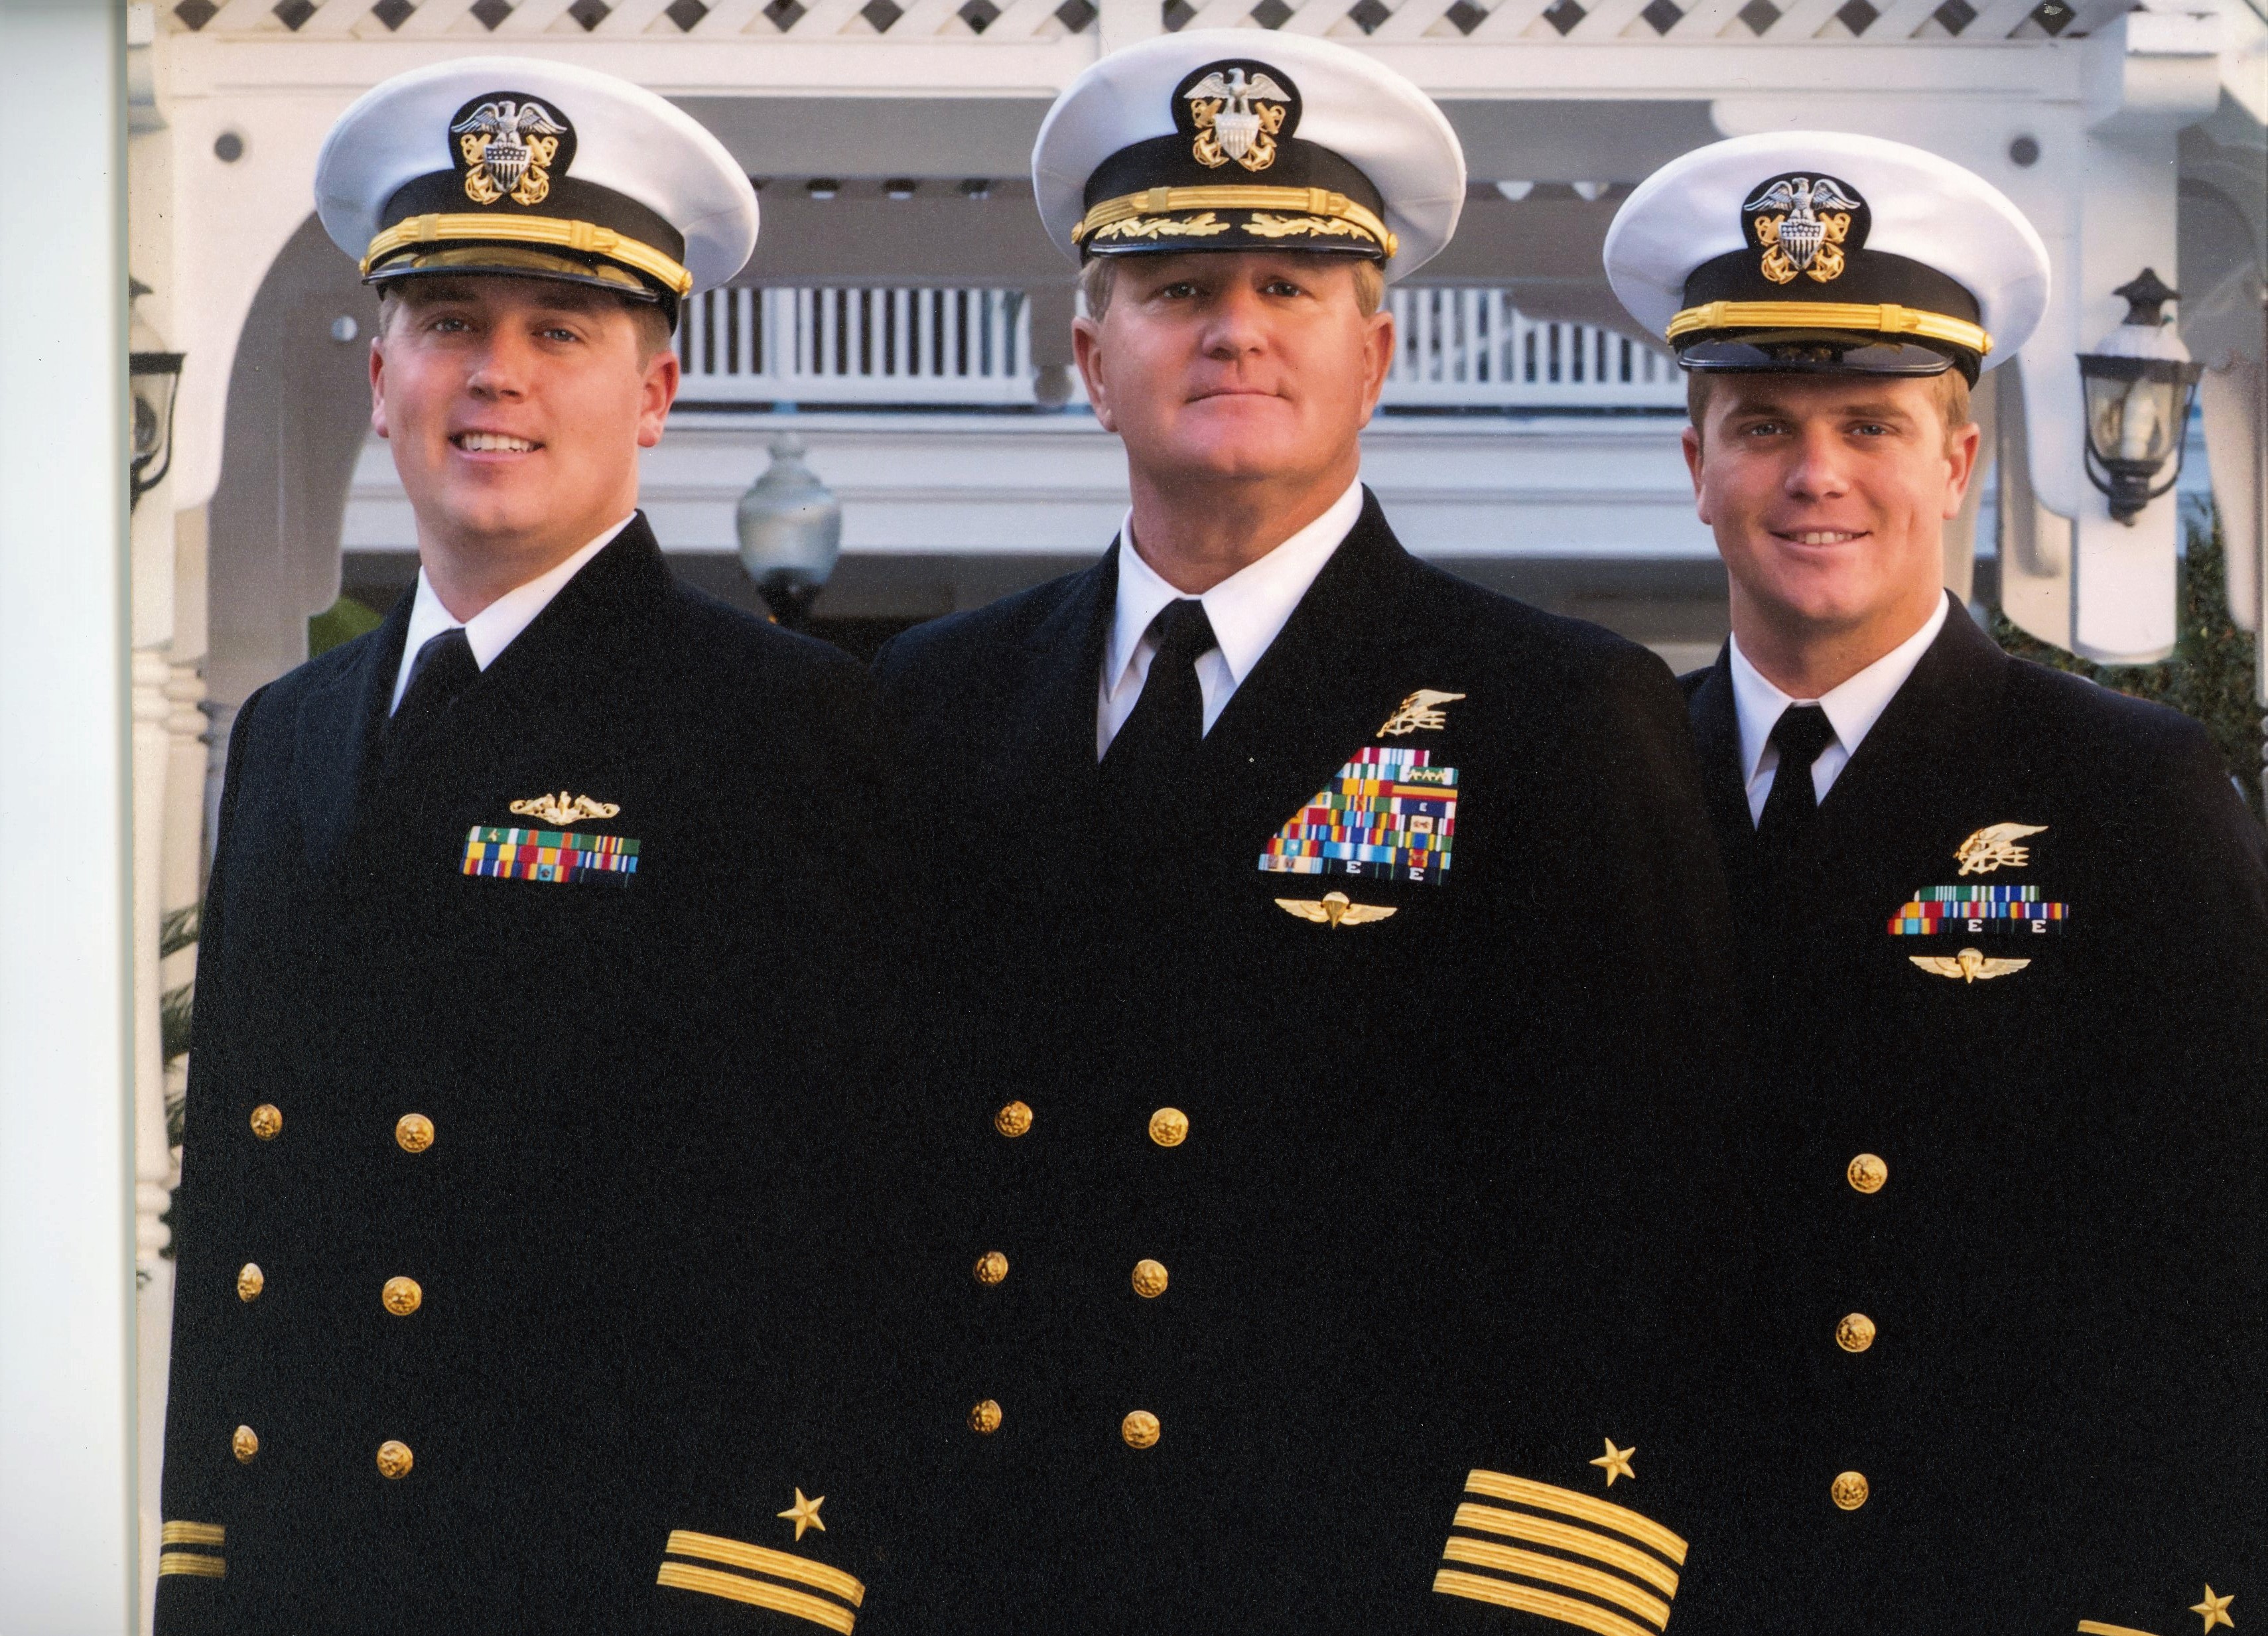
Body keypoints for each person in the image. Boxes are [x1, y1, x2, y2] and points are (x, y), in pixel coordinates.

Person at [872, 31, 1749, 1635]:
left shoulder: (1552, 711)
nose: (1233, 327)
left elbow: (1644, 1215)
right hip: (979, 1568)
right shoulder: (931, 699)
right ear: (1089, 355)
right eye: (1179, 285)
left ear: (1377, 353)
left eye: (1291, 287)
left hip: (1373, 1583)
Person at [156, 58, 893, 1633]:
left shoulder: (783, 727)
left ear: (656, 393)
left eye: (558, 331)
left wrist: (759, 1593)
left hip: (608, 1588)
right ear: (380, 377)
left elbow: (847, 1223)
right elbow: (244, 1201)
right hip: (299, 1580)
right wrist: (200, 1565)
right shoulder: (291, 730)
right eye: (448, 324)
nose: (495, 375)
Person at [1604, 130, 2267, 1633]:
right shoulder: (1617, 781)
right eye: (1763, 423)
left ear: (1959, 459)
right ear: (1693, 465)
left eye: (1873, 424)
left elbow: (2228, 1251)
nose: (1816, 474)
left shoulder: (2123, 791)